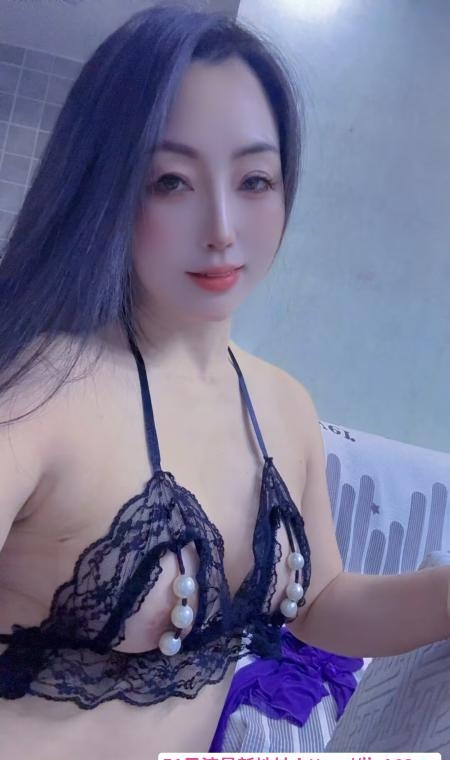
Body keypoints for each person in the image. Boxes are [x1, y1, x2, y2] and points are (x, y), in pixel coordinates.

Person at [0, 4, 448, 758]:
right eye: (172, 181)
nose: (222, 228)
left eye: (254, 179)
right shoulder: (41, 393)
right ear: (107, 185)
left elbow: (324, 604)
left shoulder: (283, 406)